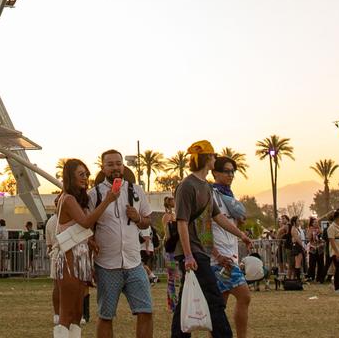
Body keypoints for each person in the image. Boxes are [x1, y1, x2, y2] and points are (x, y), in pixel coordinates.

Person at [165, 141, 230, 338]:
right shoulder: (187, 186)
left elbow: (217, 218)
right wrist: (188, 256)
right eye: (213, 156)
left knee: (187, 299)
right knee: (214, 299)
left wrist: (241, 236)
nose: (215, 159)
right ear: (206, 158)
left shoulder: (207, 187)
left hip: (201, 251)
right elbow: (182, 222)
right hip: (193, 253)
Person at [87, 149, 153, 338]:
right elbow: (88, 225)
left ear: (123, 165)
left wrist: (138, 217)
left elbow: (148, 220)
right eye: (110, 164)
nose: (115, 167)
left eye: (118, 163)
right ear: (103, 168)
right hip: (107, 264)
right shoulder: (95, 194)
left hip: (134, 262)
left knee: (146, 311)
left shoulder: (136, 190)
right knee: (106, 315)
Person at [51, 158, 119, 338]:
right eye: (81, 174)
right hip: (69, 257)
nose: (85, 178)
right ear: (70, 176)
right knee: (67, 313)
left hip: (80, 257)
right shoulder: (68, 199)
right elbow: (86, 222)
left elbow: (77, 227)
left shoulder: (74, 199)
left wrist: (89, 242)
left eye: (86, 174)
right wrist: (107, 200)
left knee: (78, 312)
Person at [208, 156, 251, 338]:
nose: (231, 175)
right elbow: (204, 228)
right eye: (226, 171)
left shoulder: (229, 196)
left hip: (230, 254)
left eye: (233, 171)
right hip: (219, 259)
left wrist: (240, 225)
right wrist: (215, 254)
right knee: (244, 296)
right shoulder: (210, 194)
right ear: (215, 172)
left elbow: (230, 227)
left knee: (219, 306)